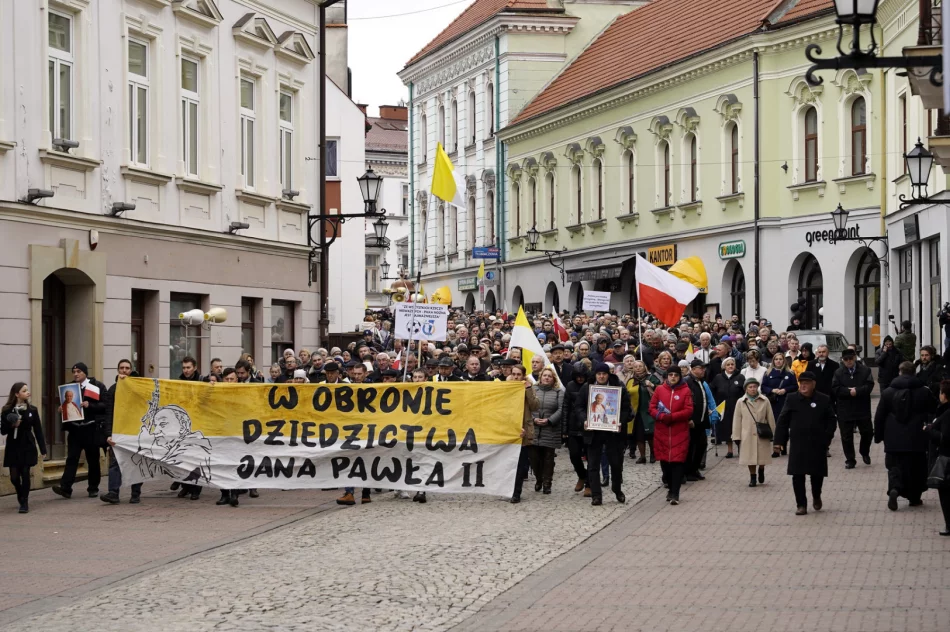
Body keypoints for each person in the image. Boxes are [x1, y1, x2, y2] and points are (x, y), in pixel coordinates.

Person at [873, 361, 936, 511]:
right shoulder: (924, 391)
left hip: (893, 438)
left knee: (894, 466)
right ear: (914, 372)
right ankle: (914, 497)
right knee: (917, 467)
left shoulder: (888, 392)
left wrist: (879, 435)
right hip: (917, 437)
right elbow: (934, 410)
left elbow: (879, 416)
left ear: (900, 372)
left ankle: (894, 488)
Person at [774, 371, 837, 515]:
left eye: (806, 383)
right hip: (798, 443)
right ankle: (801, 504)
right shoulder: (791, 399)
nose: (803, 385)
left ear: (813, 384)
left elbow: (832, 420)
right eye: (801, 382)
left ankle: (816, 495)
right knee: (797, 474)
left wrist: (827, 437)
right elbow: (783, 420)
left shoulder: (823, 399)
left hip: (818, 442)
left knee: (817, 474)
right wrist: (778, 441)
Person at [577, 363, 631, 506]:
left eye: (604, 374)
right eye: (599, 374)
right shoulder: (587, 387)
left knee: (616, 463)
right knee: (593, 465)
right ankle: (596, 495)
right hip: (593, 432)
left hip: (613, 433)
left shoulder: (618, 386)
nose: (601, 376)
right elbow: (579, 407)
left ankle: (617, 489)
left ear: (609, 374)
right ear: (595, 375)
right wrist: (584, 420)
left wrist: (620, 421)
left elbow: (627, 408)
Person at [52, 362, 107, 500]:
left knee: (93, 459)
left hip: (91, 428)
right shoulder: (70, 388)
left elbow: (105, 404)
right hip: (75, 429)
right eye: (74, 371)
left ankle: (93, 488)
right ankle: (66, 488)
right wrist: (62, 409)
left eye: (79, 371)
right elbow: (67, 405)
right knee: (72, 458)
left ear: (85, 373)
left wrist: (91, 405)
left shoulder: (96, 386)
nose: (76, 374)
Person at [100, 359, 143, 505]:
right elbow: (108, 414)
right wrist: (108, 434)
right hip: (118, 433)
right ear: (118, 370)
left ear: (131, 370)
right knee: (115, 463)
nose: (124, 370)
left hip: (135, 432)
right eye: (121, 368)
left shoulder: (137, 387)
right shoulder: (113, 390)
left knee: (136, 463)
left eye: (127, 368)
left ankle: (135, 493)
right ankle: (113, 493)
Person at [649, 369, 693, 505]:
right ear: (667, 376)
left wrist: (673, 417)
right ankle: (668, 484)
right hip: (662, 431)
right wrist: (661, 416)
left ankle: (675, 492)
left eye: (675, 375)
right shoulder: (659, 390)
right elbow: (652, 407)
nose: (673, 377)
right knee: (665, 463)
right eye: (670, 375)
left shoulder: (686, 391)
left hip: (679, 431)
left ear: (679, 377)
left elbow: (689, 410)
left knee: (677, 462)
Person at [1, 383, 47, 513]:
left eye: (27, 390)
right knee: (14, 477)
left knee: (25, 473)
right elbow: (3, 431)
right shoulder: (6, 410)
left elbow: (38, 430)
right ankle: (20, 493)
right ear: (16, 394)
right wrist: (12, 425)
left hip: (27, 444)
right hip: (13, 445)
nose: (28, 392)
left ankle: (24, 501)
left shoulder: (32, 410)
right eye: (24, 390)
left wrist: (43, 449)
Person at [833, 348, 875, 469]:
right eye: (846, 359)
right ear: (843, 360)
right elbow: (835, 388)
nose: (848, 361)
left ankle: (864, 451)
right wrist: (847, 392)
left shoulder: (865, 370)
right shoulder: (838, 373)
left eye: (851, 359)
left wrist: (857, 391)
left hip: (862, 407)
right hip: (845, 408)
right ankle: (850, 459)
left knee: (867, 432)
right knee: (846, 435)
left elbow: (869, 385)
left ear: (855, 358)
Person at [732, 378, 776, 487]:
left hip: (762, 433)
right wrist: (736, 435)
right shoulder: (740, 402)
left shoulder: (765, 400)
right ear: (746, 389)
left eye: (755, 387)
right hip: (747, 433)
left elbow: (770, 417)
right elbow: (737, 419)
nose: (753, 389)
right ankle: (753, 477)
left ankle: (761, 469)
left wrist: (774, 434)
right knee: (749, 458)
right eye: (750, 387)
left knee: (762, 457)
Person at [510, 365, 541, 503]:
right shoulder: (506, 388)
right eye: (514, 374)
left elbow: (535, 405)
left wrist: (528, 389)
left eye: (518, 374)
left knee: (521, 464)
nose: (516, 377)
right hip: (509, 431)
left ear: (523, 376)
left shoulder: (529, 388)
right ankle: (509, 489)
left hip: (523, 430)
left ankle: (517, 492)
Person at [684, 359, 717, 480]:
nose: (704, 370)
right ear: (693, 369)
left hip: (702, 419)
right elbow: (686, 401)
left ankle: (695, 469)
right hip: (693, 421)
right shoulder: (687, 382)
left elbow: (704, 399)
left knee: (701, 445)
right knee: (691, 447)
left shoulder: (701, 382)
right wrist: (689, 419)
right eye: (701, 368)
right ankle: (688, 471)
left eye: (704, 368)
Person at [531, 367, 562, 495]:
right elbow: (527, 407)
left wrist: (549, 420)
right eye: (545, 375)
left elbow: (561, 409)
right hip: (534, 429)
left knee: (548, 458)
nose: (547, 378)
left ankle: (547, 483)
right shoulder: (533, 390)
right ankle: (539, 478)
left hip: (550, 429)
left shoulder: (558, 392)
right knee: (534, 458)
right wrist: (533, 420)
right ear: (541, 377)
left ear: (553, 378)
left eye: (549, 376)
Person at [925, 380, 950, 535]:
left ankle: (949, 524)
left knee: (946, 492)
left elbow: (944, 438)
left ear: (945, 395)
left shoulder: (946, 413)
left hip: (947, 458)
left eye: (941, 392)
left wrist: (929, 430)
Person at [562, 362, 591, 495]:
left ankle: (590, 484)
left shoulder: (591, 385)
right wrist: (564, 429)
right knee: (574, 456)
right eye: (577, 376)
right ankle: (582, 474)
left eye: (582, 376)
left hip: (588, 424)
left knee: (591, 457)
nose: (580, 378)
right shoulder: (570, 386)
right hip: (573, 426)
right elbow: (566, 407)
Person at [762, 352, 797, 456]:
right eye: (776, 359)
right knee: (775, 425)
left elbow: (795, 386)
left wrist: (785, 390)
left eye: (780, 359)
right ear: (773, 361)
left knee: (784, 425)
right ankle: (776, 448)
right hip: (773, 403)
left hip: (785, 402)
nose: (778, 361)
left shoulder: (790, 373)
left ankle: (783, 445)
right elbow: (763, 386)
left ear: (784, 361)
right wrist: (772, 390)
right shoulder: (768, 373)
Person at [711, 357, 744, 459]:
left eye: (732, 364)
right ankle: (729, 450)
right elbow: (712, 391)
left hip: (737, 408)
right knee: (727, 429)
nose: (730, 366)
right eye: (728, 365)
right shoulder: (718, 378)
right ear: (724, 366)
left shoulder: (740, 377)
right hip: (724, 409)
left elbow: (744, 392)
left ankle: (740, 448)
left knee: (738, 428)